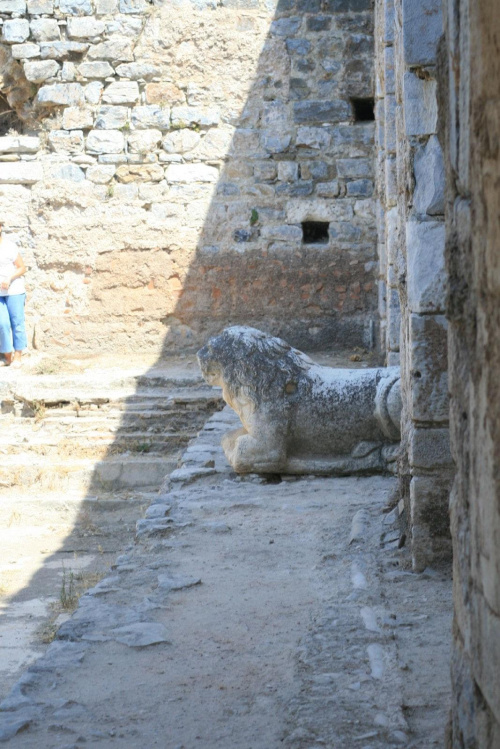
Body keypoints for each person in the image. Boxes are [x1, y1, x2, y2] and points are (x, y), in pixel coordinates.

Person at [0, 222, 27, 368]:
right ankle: (6, 355)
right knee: (2, 323)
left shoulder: (9, 247)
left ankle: (18, 356)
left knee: (17, 323)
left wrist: (9, 278)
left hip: (14, 290)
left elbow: (22, 268)